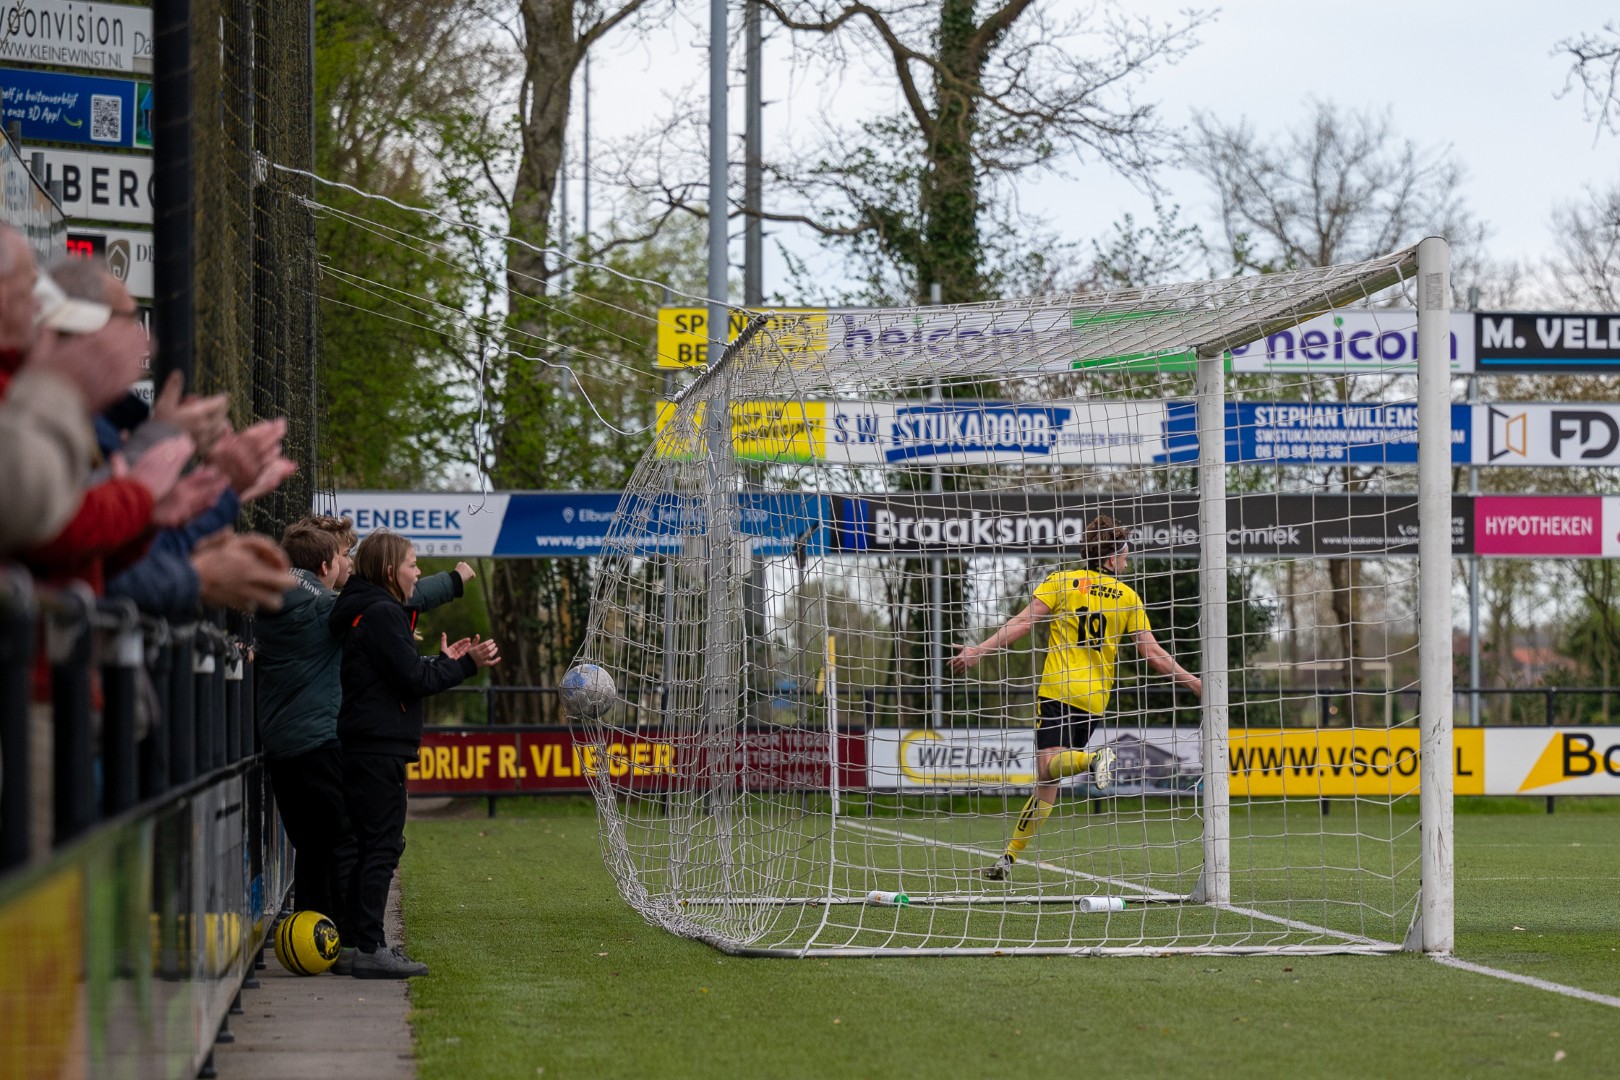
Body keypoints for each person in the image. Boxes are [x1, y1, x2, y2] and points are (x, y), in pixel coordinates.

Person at [256, 517, 475, 974]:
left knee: (314, 850)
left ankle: (320, 943)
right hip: (319, 741)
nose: (348, 565)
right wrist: (454, 581)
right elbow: (390, 597)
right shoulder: (326, 608)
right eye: (341, 557)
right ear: (324, 565)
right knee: (356, 841)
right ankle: (354, 942)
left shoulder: (272, 603)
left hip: (278, 746)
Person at [949, 514, 1202, 881]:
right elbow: (1153, 653)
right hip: (1095, 698)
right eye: (1126, 553)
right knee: (1047, 782)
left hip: (1058, 689)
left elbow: (1021, 623)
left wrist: (978, 650)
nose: (1128, 560)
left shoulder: (1063, 582)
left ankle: (1091, 759)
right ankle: (1008, 859)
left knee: (1047, 769)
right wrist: (1192, 681)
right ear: (1111, 557)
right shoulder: (1128, 597)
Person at [329, 530, 498, 978]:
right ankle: (370, 947)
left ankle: (351, 944)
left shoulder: (370, 609)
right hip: (376, 747)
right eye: (412, 563)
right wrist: (466, 664)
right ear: (390, 571)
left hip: (365, 744)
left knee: (370, 846)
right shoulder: (383, 612)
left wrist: (439, 661)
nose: (418, 571)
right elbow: (411, 682)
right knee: (382, 845)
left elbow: (399, 673)